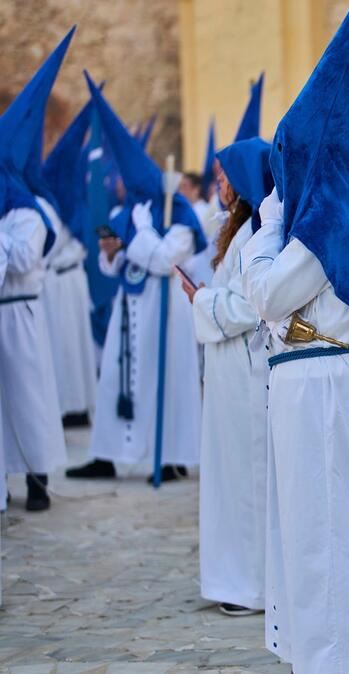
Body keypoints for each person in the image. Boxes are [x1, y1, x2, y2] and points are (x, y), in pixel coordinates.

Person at [240, 0, 349, 670]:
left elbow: (267, 295)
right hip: (319, 374)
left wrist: (266, 229)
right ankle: (327, 643)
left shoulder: (318, 224)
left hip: (317, 378)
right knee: (318, 518)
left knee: (322, 523)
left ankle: (330, 652)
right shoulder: (340, 213)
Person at [67, 73, 206, 483]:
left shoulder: (177, 217)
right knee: (117, 377)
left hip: (165, 313)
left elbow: (165, 261)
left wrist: (143, 233)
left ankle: (170, 456)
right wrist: (114, 252)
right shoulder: (125, 216)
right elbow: (116, 265)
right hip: (129, 313)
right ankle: (107, 453)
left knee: (167, 381)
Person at [186, 137, 273, 616]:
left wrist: (199, 300)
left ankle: (252, 584)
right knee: (227, 471)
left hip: (245, 366)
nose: (218, 184)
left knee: (246, 474)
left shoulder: (256, 236)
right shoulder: (237, 233)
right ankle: (231, 576)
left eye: (224, 176)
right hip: (228, 367)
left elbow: (246, 306)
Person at [0, 29, 74, 512]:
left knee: (27, 399)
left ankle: (38, 478)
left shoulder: (29, 211)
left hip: (21, 316)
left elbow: (25, 257)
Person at [41, 99, 99, 426]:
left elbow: (66, 244)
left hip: (67, 282)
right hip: (56, 284)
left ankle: (76, 406)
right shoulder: (56, 208)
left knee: (72, 347)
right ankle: (66, 404)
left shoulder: (71, 210)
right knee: (61, 348)